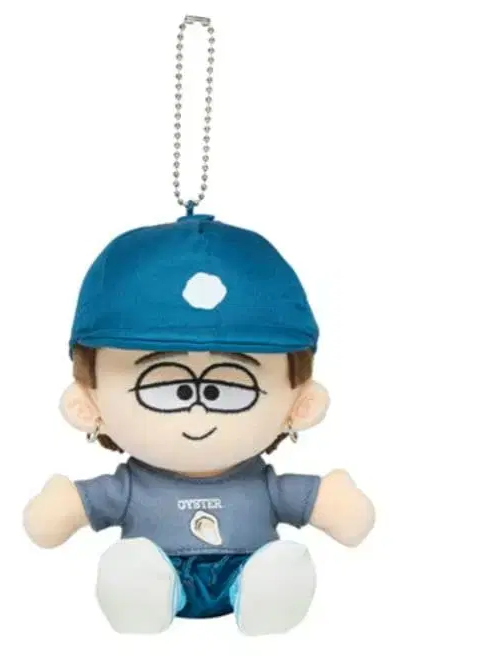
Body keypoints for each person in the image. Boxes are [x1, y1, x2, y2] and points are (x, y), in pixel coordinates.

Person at [23, 212, 375, 635]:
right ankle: (141, 593)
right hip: (153, 567)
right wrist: (65, 505)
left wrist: (331, 500)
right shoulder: (130, 487)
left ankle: (265, 592)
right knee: (133, 567)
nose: (197, 409)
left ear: (300, 404)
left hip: (252, 568)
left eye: (228, 387)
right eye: (165, 387)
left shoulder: (262, 483)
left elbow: (318, 506)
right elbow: (67, 514)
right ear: (87, 404)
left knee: (275, 571)